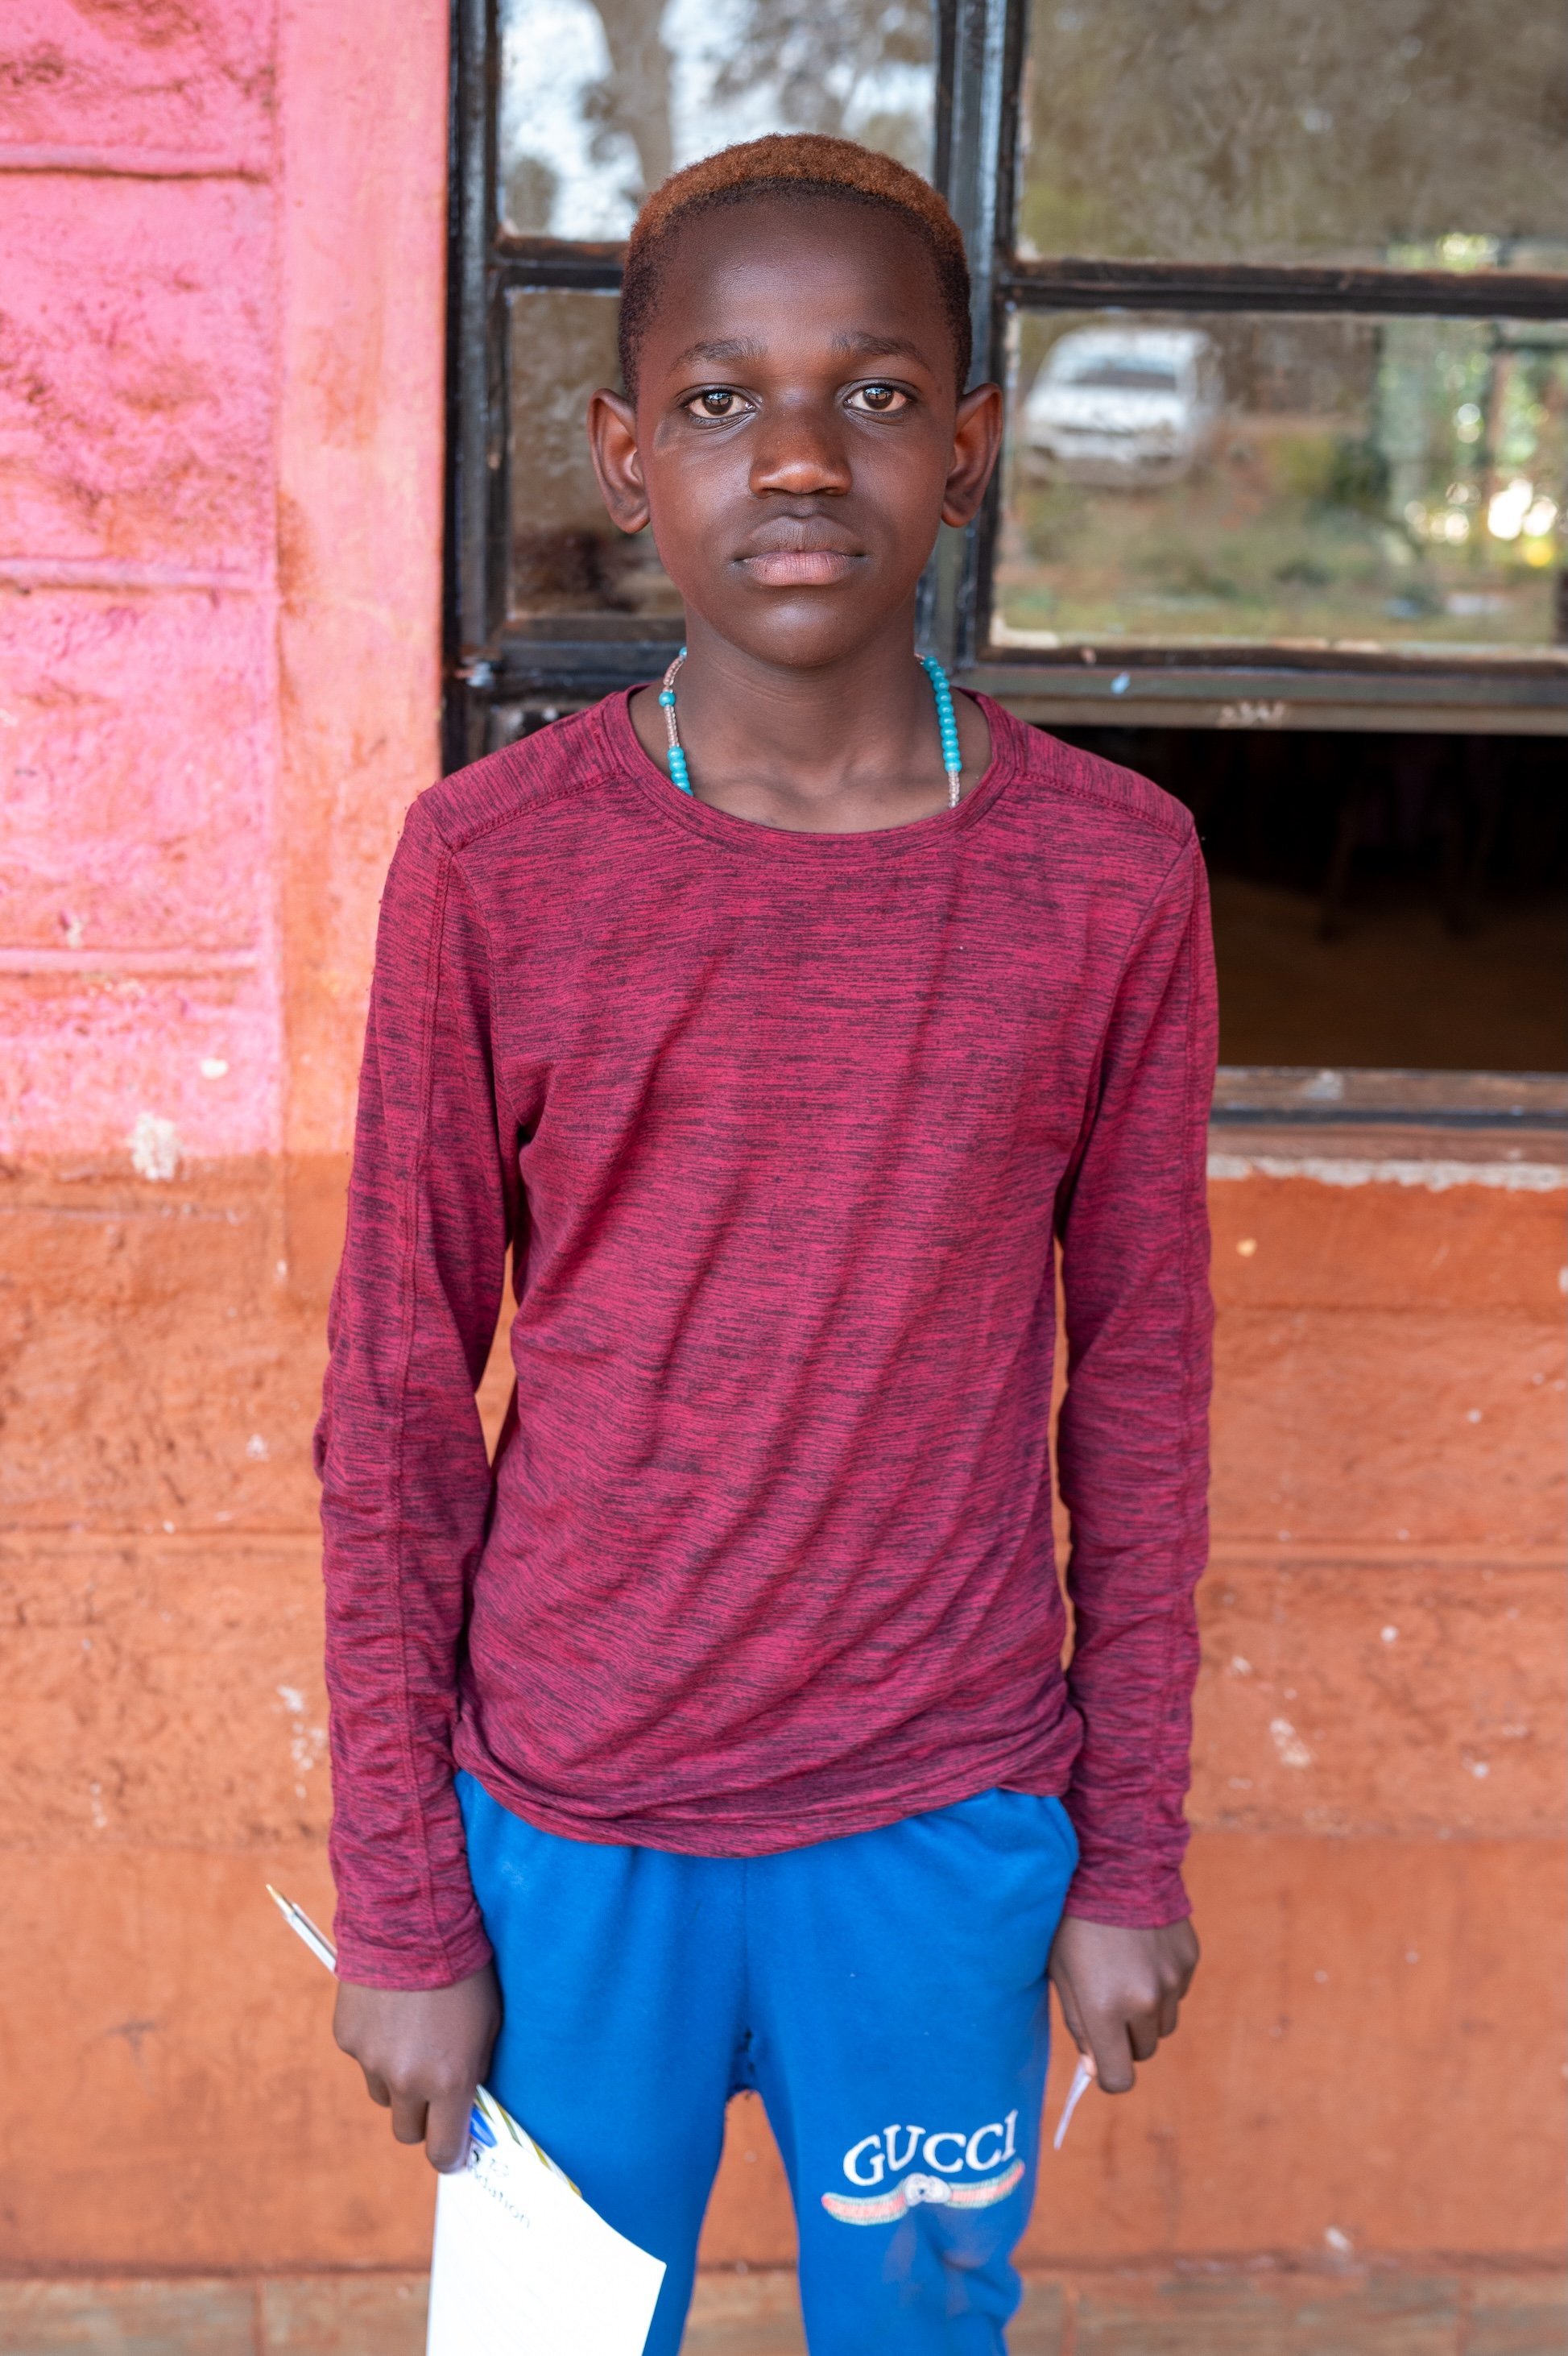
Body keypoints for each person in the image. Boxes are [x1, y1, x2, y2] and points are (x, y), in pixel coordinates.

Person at [317, 132, 1214, 2356]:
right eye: (719, 399)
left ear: (970, 450)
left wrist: (1126, 1853)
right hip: (560, 1835)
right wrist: (402, 1899)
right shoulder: (490, 868)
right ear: (627, 458)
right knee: (546, 2339)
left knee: (915, 2331)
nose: (798, 457)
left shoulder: (1113, 877)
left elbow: (1147, 1392)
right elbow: (396, 1403)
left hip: (940, 1834)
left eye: (877, 394)